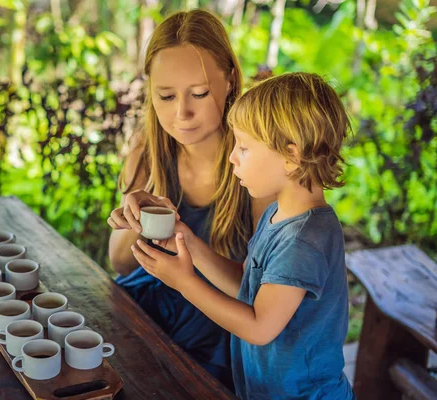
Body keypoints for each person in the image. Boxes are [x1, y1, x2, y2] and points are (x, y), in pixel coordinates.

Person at [132, 72, 356, 399]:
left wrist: (183, 282)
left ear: (292, 158)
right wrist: (188, 243)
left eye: (244, 147)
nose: (233, 156)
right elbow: (248, 287)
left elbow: (258, 326)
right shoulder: (278, 215)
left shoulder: (304, 239)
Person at [107, 9, 273, 389]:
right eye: (165, 96)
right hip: (147, 312)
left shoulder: (257, 163)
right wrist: (141, 211)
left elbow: (256, 296)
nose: (182, 114)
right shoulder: (147, 148)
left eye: (199, 93)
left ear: (230, 80)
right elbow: (118, 262)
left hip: (221, 332)